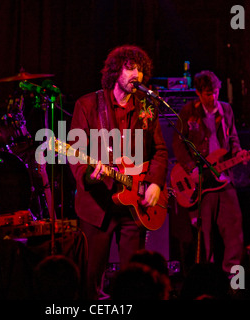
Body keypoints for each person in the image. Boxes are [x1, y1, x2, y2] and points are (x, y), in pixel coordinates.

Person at [68, 44, 168, 299]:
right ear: (116, 71)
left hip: (133, 208)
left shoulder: (147, 107)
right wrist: (89, 175)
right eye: (130, 68)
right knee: (89, 280)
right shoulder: (88, 105)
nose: (137, 75)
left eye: (141, 70)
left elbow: (160, 151)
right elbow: (73, 152)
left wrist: (155, 183)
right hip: (97, 206)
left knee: (136, 281)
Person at [172, 70, 250, 275]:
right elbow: (178, 145)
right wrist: (190, 169)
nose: (213, 97)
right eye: (208, 93)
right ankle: (205, 279)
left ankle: (234, 279)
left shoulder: (226, 110)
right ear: (198, 93)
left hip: (224, 177)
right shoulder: (188, 112)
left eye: (216, 92)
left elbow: (232, 137)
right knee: (203, 235)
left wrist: (239, 152)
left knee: (234, 229)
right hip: (201, 180)